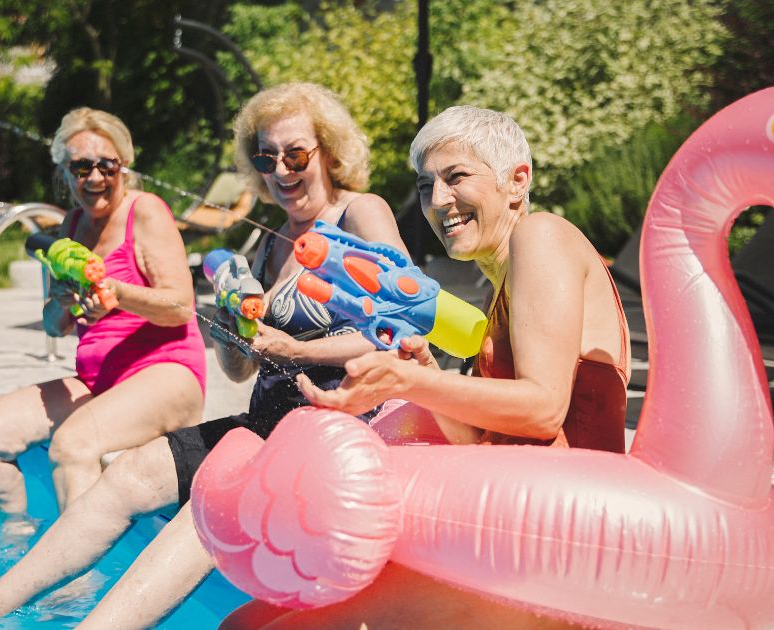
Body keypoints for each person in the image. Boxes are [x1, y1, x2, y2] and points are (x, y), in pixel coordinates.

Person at [0, 82, 408, 627]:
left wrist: (295, 346)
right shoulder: (271, 241)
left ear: (328, 149)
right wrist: (234, 332)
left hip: (336, 425)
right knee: (130, 474)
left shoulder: (360, 214)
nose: (281, 169)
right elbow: (242, 368)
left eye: (296, 153)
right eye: (266, 157)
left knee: (205, 506)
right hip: (269, 423)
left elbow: (405, 327)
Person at [229, 104, 632, 627]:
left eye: (456, 177)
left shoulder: (543, 236)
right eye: (424, 185)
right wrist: (428, 380)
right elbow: (490, 441)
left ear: (517, 182)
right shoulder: (502, 290)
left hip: (558, 550)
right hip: (514, 528)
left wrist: (406, 379)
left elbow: (544, 411)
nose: (438, 201)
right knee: (249, 619)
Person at [0, 107, 207, 521]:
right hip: (100, 380)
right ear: (66, 172)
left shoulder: (145, 211)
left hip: (167, 373)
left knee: (72, 445)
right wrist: (60, 300)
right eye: (81, 167)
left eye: (106, 166)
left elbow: (181, 308)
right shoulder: (73, 225)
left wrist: (118, 292)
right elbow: (55, 327)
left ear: (123, 165)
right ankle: (15, 548)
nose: (94, 178)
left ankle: (79, 583)